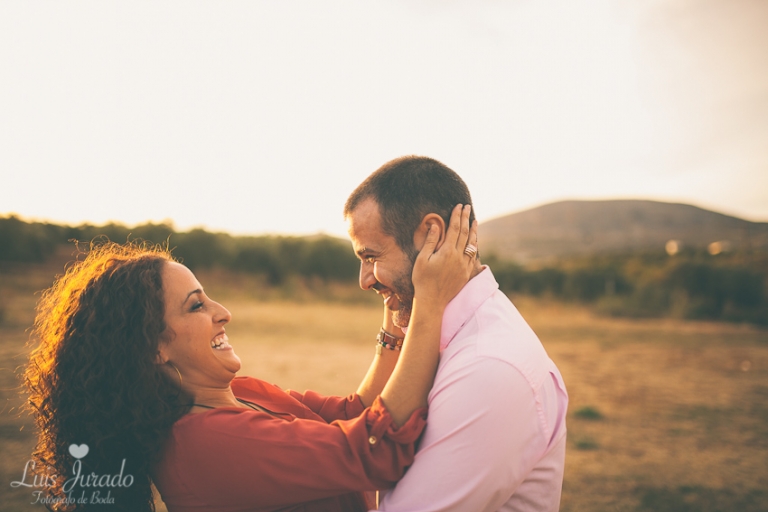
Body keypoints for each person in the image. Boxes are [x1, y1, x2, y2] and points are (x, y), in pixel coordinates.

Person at [24, 204, 478, 512]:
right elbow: (373, 452)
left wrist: (397, 306)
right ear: (154, 347)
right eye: (196, 306)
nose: (224, 312)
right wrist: (430, 301)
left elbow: (354, 413)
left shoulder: (239, 393)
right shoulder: (204, 443)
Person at [344, 156, 569, 511]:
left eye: (371, 256)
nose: (364, 280)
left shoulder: (488, 369)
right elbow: (360, 423)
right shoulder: (445, 338)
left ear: (431, 234)